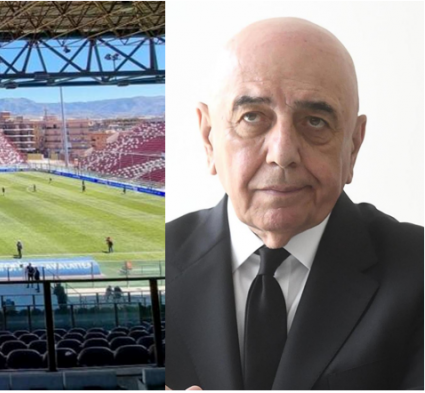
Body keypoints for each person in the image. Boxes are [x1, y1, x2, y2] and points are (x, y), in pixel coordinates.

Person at [166, 18, 423, 390]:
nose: (282, 153)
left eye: (315, 122)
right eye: (252, 117)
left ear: (353, 145)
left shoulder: (419, 272)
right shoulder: (164, 261)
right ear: (208, 139)